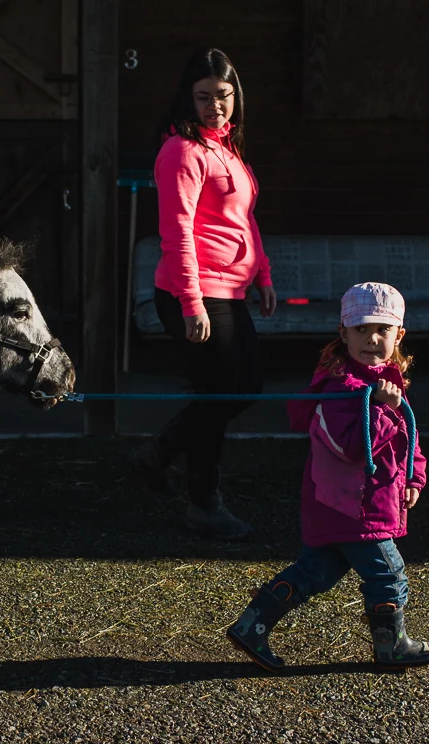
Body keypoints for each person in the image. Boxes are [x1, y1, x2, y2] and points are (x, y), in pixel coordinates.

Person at [226, 282, 429, 670]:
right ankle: (391, 647)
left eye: (382, 329)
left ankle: (252, 626)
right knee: (388, 573)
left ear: (399, 335)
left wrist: (414, 477)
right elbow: (350, 447)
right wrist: (381, 409)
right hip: (352, 506)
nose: (372, 338)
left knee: (317, 571)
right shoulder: (341, 389)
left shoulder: (384, 380)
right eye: (361, 329)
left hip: (359, 502)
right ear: (343, 333)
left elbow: (408, 436)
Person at [128, 47, 276, 541]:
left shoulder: (227, 147)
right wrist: (192, 304)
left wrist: (263, 276)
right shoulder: (181, 151)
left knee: (244, 387)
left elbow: (244, 219)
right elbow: (177, 233)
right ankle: (203, 503)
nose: (216, 106)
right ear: (187, 99)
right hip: (194, 292)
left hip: (230, 291)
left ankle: (159, 452)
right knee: (219, 394)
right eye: (204, 97)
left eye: (224, 95)